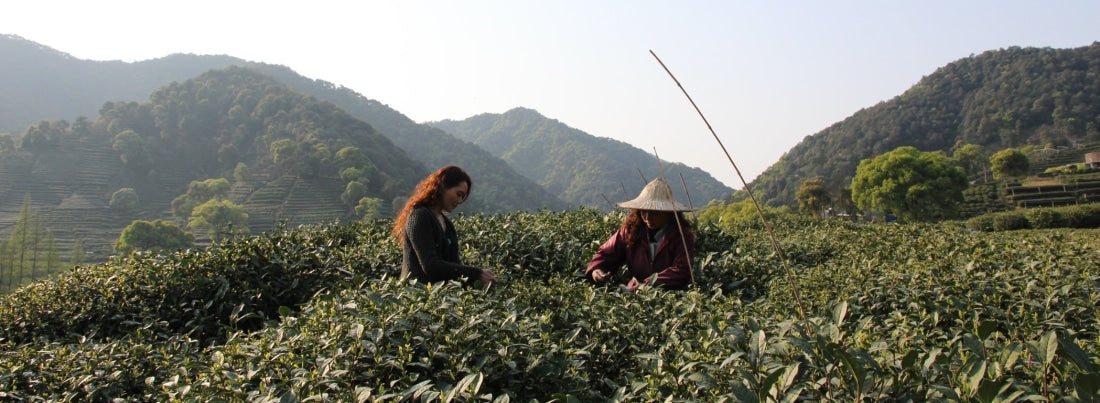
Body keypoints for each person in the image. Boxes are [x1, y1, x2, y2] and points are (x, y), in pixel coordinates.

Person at [392, 165, 496, 286]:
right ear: (442, 187)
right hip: (415, 293)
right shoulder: (420, 216)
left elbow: (454, 266)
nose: (459, 201)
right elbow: (430, 265)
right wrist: (476, 274)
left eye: (462, 197)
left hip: (439, 295)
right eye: (458, 194)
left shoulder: (447, 224)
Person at [586, 177, 695, 291]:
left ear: (668, 213)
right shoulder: (631, 230)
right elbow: (607, 252)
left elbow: (682, 269)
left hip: (670, 295)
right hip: (635, 292)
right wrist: (596, 269)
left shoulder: (682, 235)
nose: (647, 217)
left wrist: (646, 285)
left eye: (654, 213)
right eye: (644, 211)